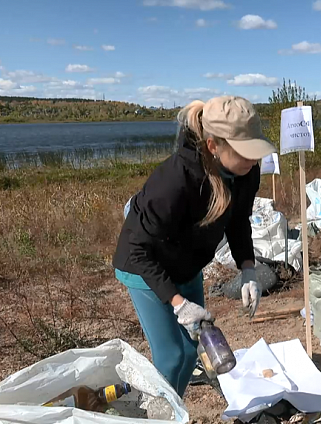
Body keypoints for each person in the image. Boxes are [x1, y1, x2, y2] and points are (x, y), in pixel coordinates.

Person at [112, 95, 276, 397]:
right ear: (214, 146)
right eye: (245, 152)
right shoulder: (175, 181)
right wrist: (178, 304)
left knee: (190, 353)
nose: (254, 160)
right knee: (171, 356)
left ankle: (172, 408)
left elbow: (238, 221)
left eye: (256, 151)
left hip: (187, 263)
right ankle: (157, 415)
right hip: (146, 264)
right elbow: (137, 248)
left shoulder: (246, 171)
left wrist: (248, 269)